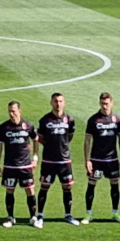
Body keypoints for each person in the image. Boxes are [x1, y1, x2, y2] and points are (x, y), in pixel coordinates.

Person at [83, 92, 120, 224]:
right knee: (91, 184)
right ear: (99, 103)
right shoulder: (93, 120)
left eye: (107, 103)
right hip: (96, 159)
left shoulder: (117, 119)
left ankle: (115, 213)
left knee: (114, 185)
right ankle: (88, 214)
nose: (105, 106)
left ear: (112, 103)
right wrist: (87, 160)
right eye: (102, 103)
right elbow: (87, 141)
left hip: (112, 159)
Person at [0, 101, 40, 228]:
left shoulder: (28, 125)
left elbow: (36, 140)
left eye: (13, 111)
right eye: (9, 111)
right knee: (10, 191)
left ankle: (33, 217)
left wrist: (35, 158)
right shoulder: (4, 127)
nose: (11, 113)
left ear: (20, 111)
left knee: (30, 190)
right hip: (9, 166)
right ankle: (10, 218)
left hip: (25, 166)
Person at [37, 93, 79, 226]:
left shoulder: (69, 119)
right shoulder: (44, 120)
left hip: (64, 161)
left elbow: (69, 136)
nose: (58, 104)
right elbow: (40, 138)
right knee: (44, 187)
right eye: (55, 101)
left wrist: (62, 147)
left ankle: (68, 215)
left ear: (64, 103)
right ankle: (40, 215)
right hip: (49, 160)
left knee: (67, 187)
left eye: (60, 101)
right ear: (51, 103)